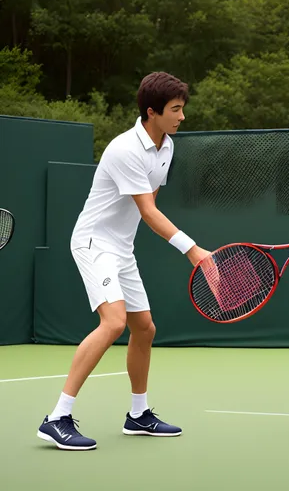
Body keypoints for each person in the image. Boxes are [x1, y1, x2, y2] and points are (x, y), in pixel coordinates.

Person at [37, 72, 211, 450]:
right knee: (114, 322)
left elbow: (148, 205)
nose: (182, 117)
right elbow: (148, 211)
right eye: (175, 110)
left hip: (121, 248)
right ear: (152, 112)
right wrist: (193, 250)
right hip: (93, 243)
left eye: (182, 109)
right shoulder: (124, 149)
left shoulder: (167, 146)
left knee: (144, 328)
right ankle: (57, 417)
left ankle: (137, 415)